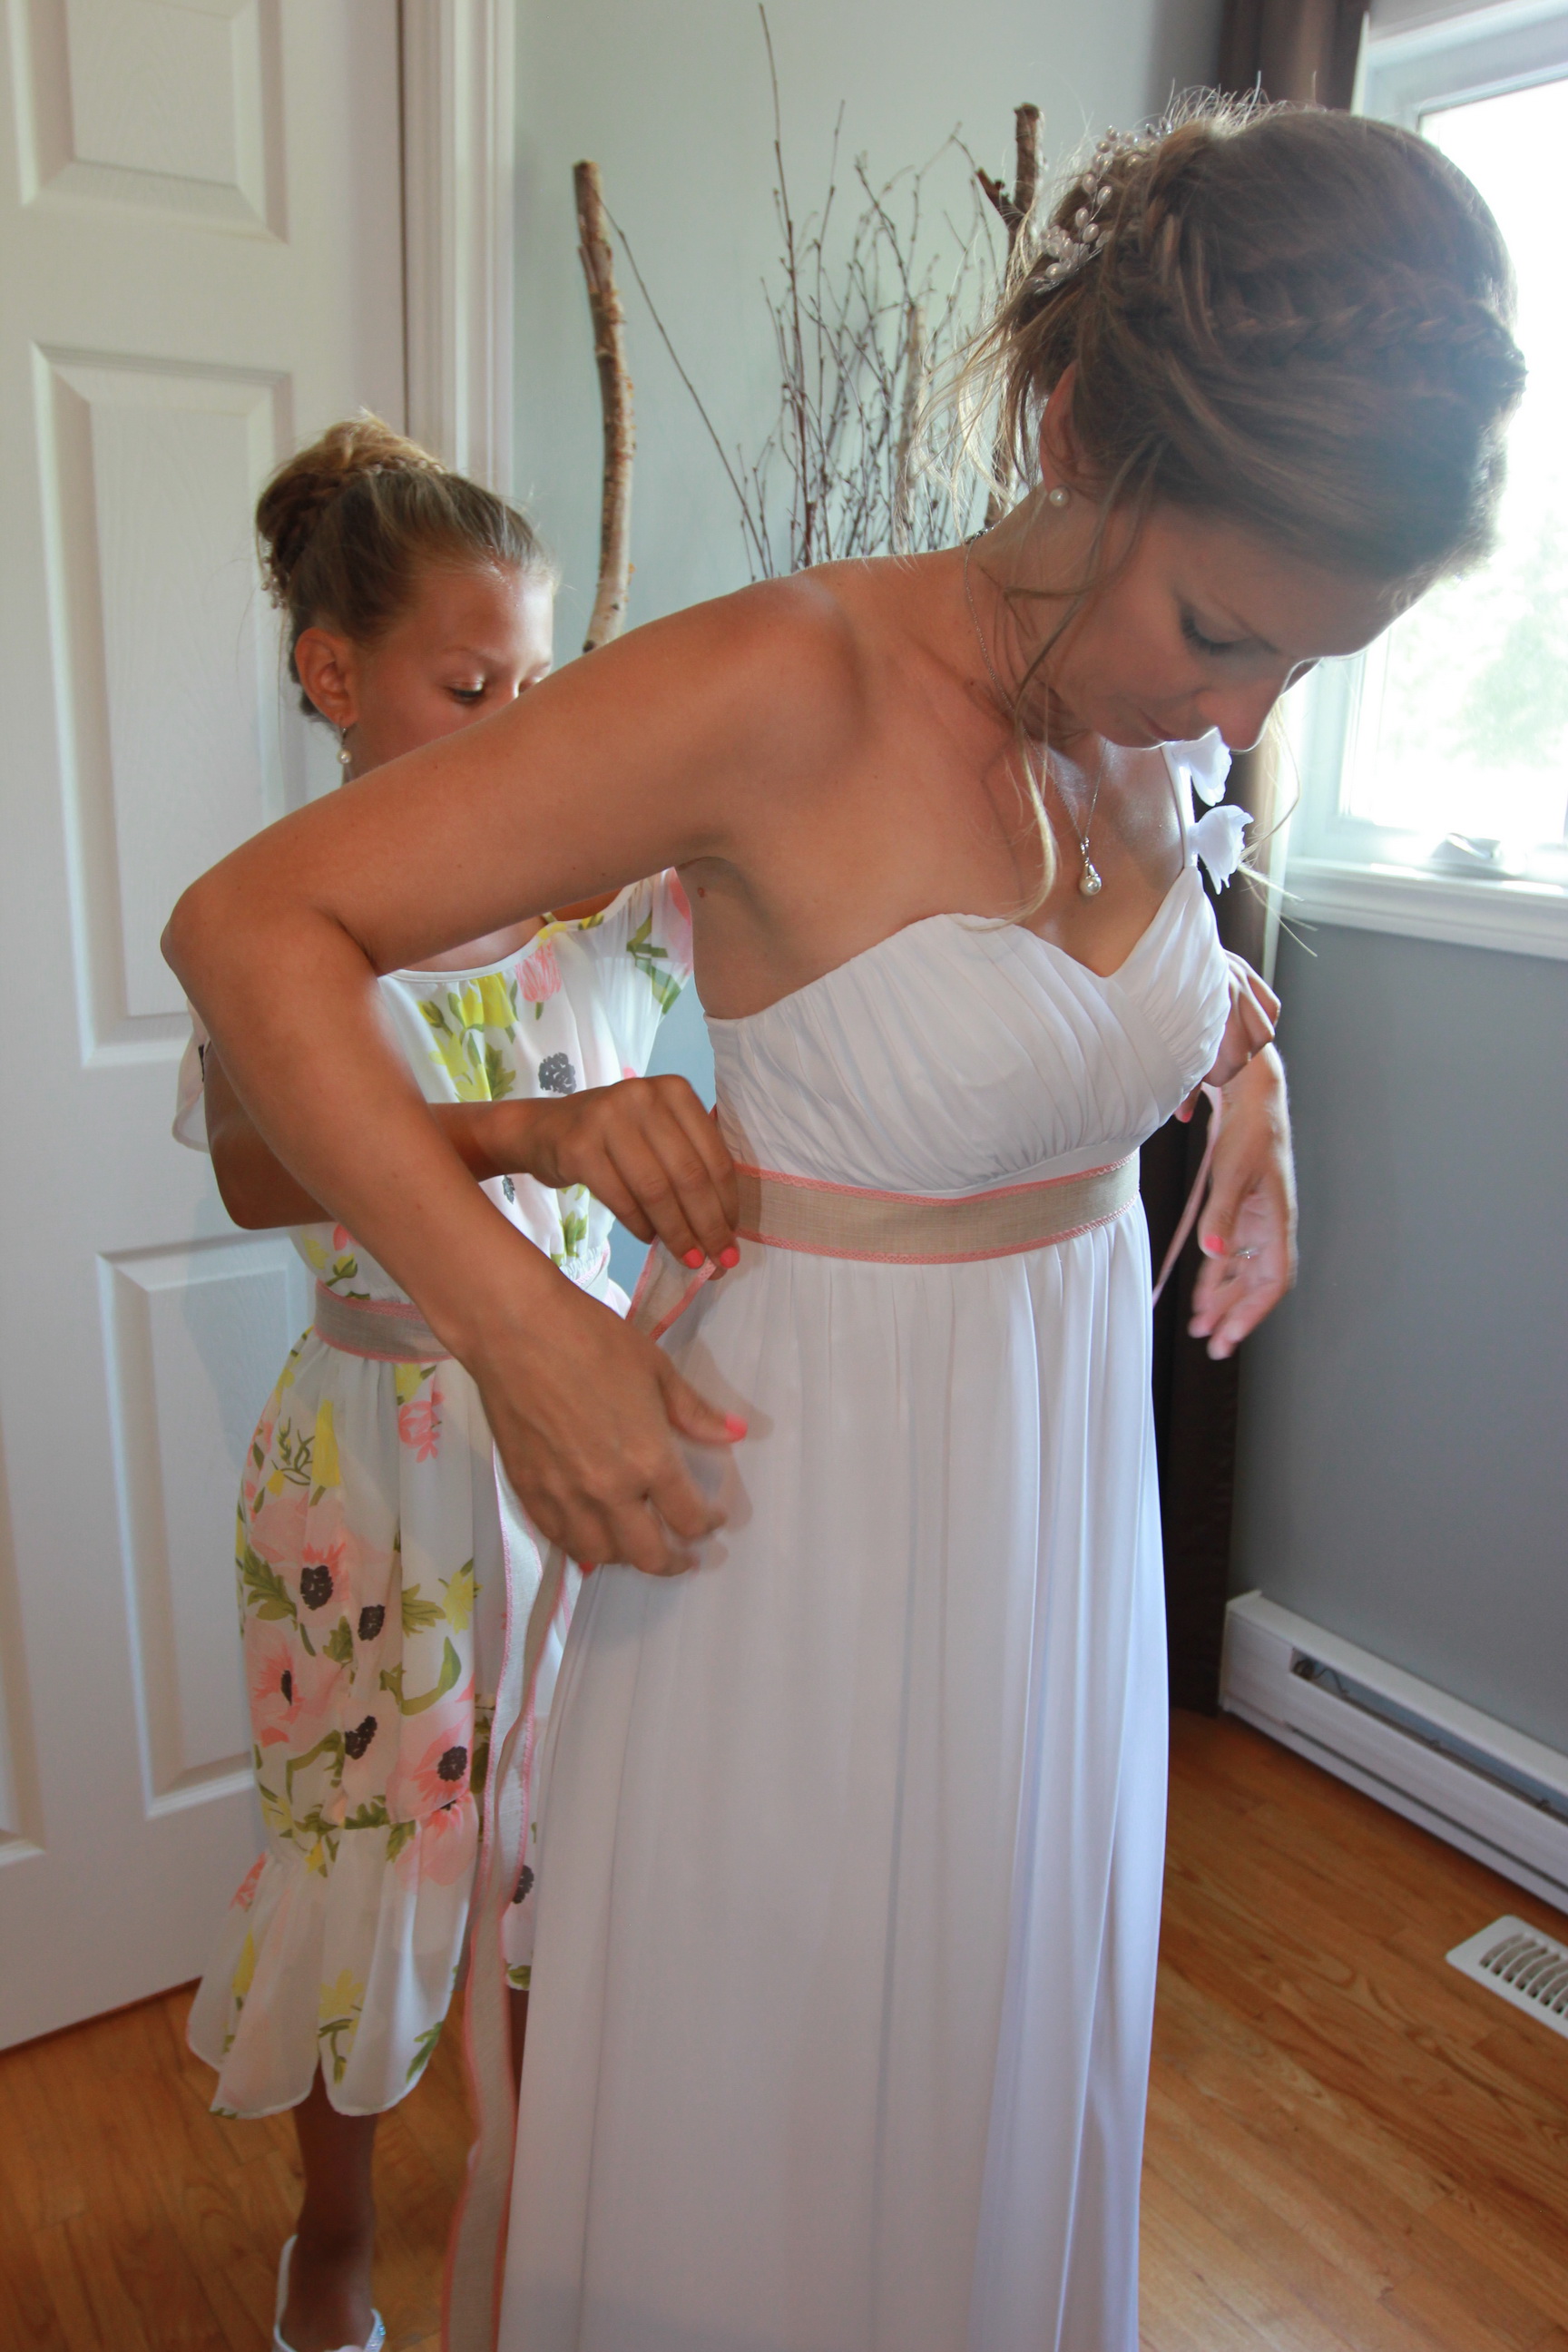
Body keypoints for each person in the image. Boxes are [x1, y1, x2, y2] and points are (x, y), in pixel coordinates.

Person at [165, 100, 1524, 2352]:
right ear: (1077, 433)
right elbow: (253, 932)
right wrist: (520, 1325)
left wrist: (1242, 1077)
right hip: (795, 1538)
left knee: (994, 2040)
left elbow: (1106, 985)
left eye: (1301, 667)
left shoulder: (1147, 716)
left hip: (1058, 1530)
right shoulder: (783, 684)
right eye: (1221, 628)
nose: (1236, 713)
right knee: (780, 2118)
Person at [172, 419, 732, 2352]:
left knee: (569, 1843)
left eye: (539, 687)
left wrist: (1194, 1005)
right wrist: (516, 1131)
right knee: (368, 1857)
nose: (517, 728)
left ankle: (543, 2192)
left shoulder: (604, 899)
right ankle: (331, 2236)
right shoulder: (283, 917)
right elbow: (255, 1172)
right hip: (378, 1471)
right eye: (470, 688)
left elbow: (831, 913)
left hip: (581, 1460)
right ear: (335, 677)